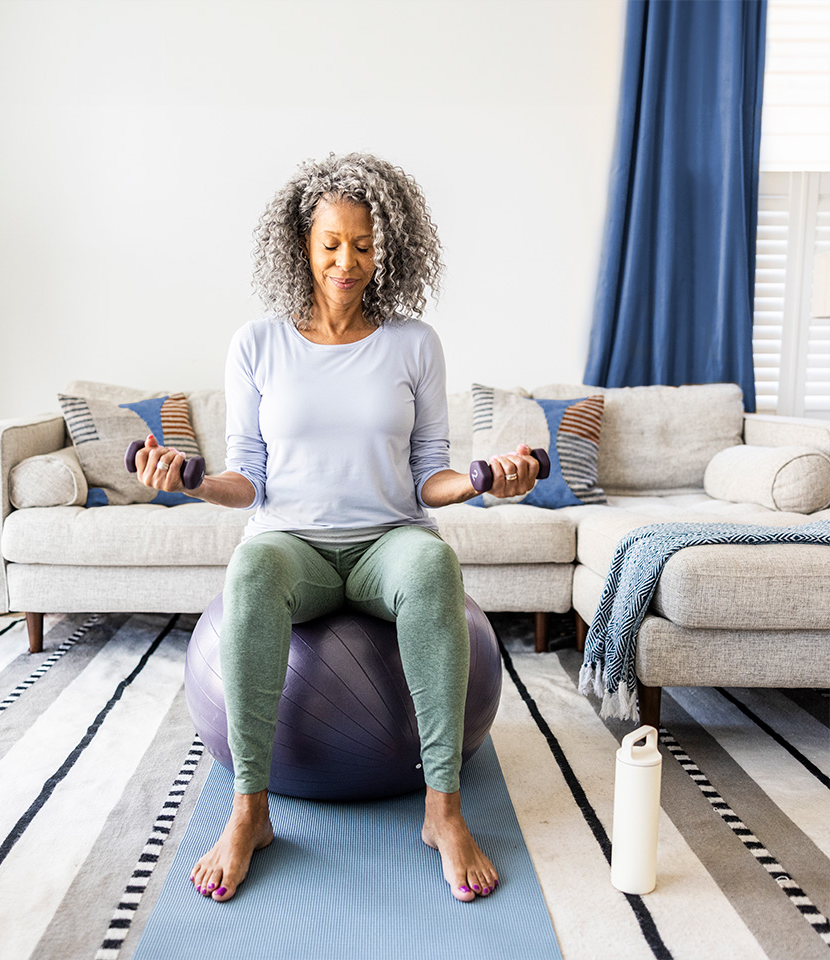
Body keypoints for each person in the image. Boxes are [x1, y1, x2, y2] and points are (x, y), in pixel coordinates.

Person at [135, 153, 540, 903]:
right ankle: (251, 812)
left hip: (391, 540)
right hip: (293, 546)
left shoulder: (414, 343)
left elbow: (430, 475)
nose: (346, 262)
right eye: (330, 244)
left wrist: (486, 478)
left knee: (433, 569)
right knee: (251, 568)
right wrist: (190, 478)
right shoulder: (257, 344)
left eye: (362, 243)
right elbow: (246, 477)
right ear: (302, 244)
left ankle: (442, 810)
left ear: (388, 247)